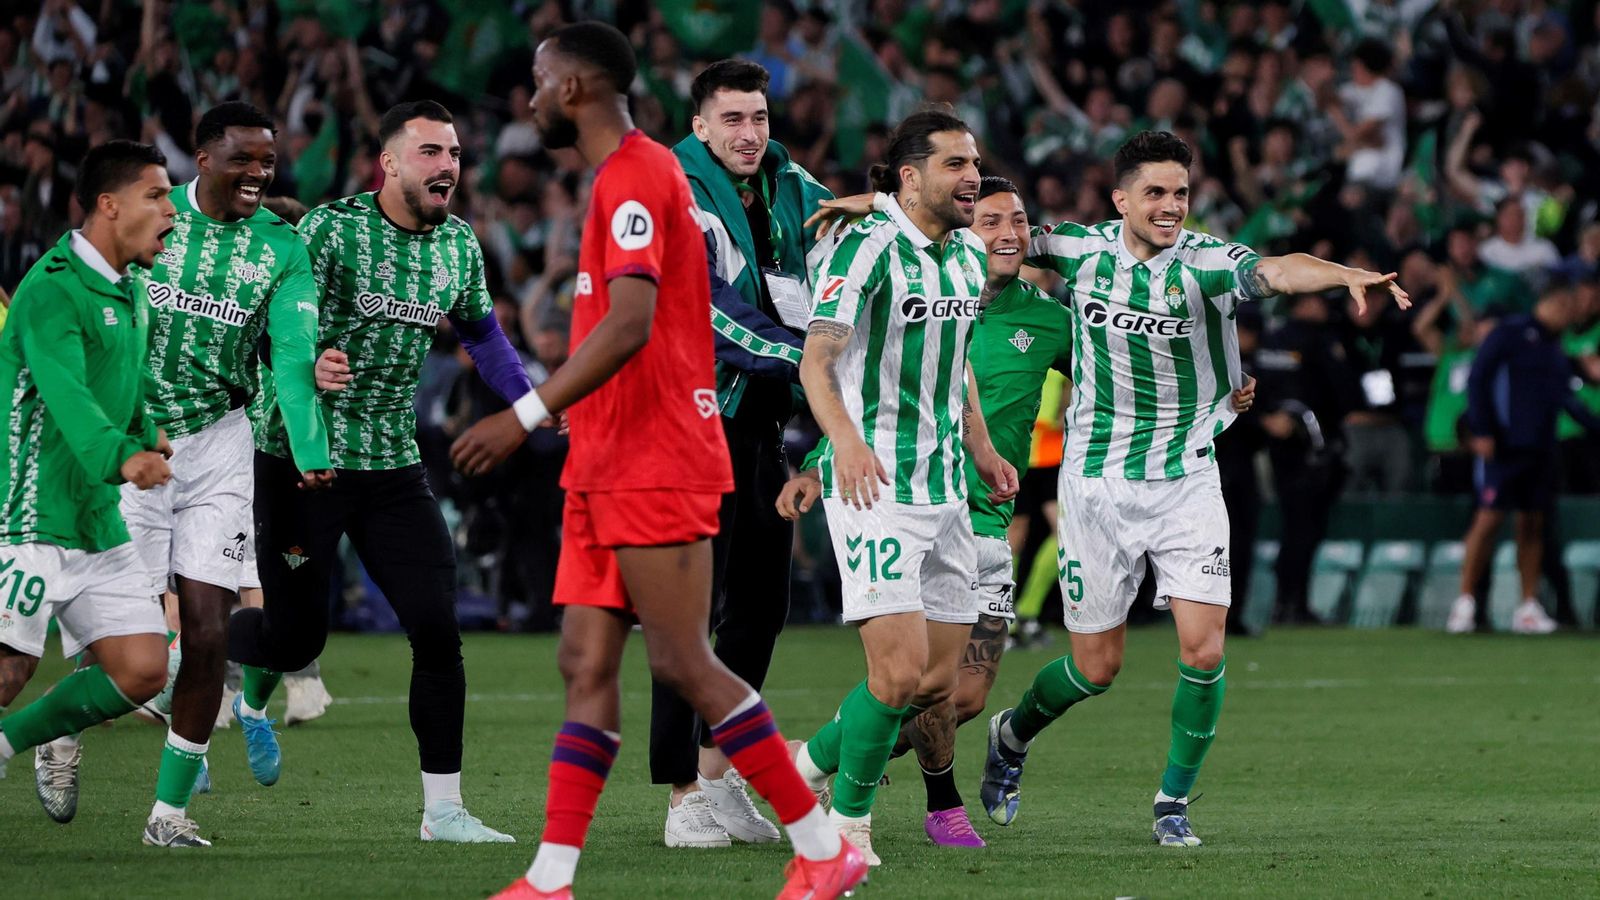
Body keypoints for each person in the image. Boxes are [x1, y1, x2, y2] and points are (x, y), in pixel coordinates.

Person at [476, 23, 864, 899]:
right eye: (733, 117)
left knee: (689, 656)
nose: (528, 97)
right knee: (586, 661)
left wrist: (525, 414)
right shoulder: (633, 176)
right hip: (611, 453)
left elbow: (631, 323)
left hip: (659, 450)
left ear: (574, 87)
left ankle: (815, 844)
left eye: (539, 80)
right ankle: (551, 876)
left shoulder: (644, 178)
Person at [975, 131, 1408, 848]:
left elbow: (1278, 269)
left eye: (1180, 192)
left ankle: (1172, 801)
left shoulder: (1208, 261)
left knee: (1204, 651)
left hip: (1186, 479)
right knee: (1096, 668)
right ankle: (1012, 737)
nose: (1171, 206)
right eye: (1155, 193)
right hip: (1097, 486)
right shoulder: (1076, 251)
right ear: (1121, 200)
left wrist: (1344, 274)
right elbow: (984, 227)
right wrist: (880, 201)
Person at [225, 100, 534, 843]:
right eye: (430, 152)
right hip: (305, 462)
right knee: (297, 641)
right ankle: (206, 646)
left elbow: (482, 336)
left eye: (455, 153)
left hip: (395, 466)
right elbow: (262, 322)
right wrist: (308, 359)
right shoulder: (331, 230)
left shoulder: (459, 245)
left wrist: (529, 400)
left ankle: (445, 811)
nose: (448, 166)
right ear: (389, 164)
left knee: (437, 630)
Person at [30, 101, 336, 847]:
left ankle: (168, 815)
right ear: (202, 159)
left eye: (268, 160)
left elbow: (296, 356)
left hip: (221, 444)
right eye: (244, 158)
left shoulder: (282, 249)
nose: (259, 173)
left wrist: (311, 444)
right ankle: (54, 731)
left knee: (207, 632)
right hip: (136, 446)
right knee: (131, 649)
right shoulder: (150, 222)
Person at [784, 107, 1019, 867]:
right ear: (910, 177)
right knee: (893, 674)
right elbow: (817, 360)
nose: (971, 177)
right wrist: (843, 444)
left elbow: (957, 363)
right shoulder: (869, 249)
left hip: (948, 490)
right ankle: (845, 831)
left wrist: (980, 445)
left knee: (934, 686)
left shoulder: (963, 257)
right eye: (954, 164)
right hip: (875, 485)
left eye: (973, 163)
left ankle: (805, 764)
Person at [649, 57, 835, 848]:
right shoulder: (673, 191)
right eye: (732, 119)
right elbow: (700, 305)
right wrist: (804, 358)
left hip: (760, 431)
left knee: (761, 610)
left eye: (758, 118)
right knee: (686, 617)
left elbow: (855, 258)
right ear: (699, 126)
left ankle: (721, 778)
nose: (749, 133)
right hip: (688, 424)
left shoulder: (799, 191)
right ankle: (681, 795)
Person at [0, 140, 177, 838]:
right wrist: (124, 458)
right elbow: (69, 397)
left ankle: (17, 742)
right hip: (30, 512)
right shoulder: (52, 288)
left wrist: (149, 429)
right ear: (109, 205)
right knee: (10, 667)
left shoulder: (132, 287)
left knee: (142, 668)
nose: (171, 211)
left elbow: (124, 386)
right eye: (157, 197)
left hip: (95, 516)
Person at [1447, 282, 1600, 634]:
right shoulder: (1510, 333)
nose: (1572, 313)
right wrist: (1482, 430)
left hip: (1541, 447)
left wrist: (1595, 427)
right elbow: (1479, 378)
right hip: (1504, 446)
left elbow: (1565, 398)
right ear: (1553, 302)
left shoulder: (1554, 348)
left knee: (1532, 524)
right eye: (1568, 304)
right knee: (1487, 522)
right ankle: (1465, 602)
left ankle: (1528, 606)